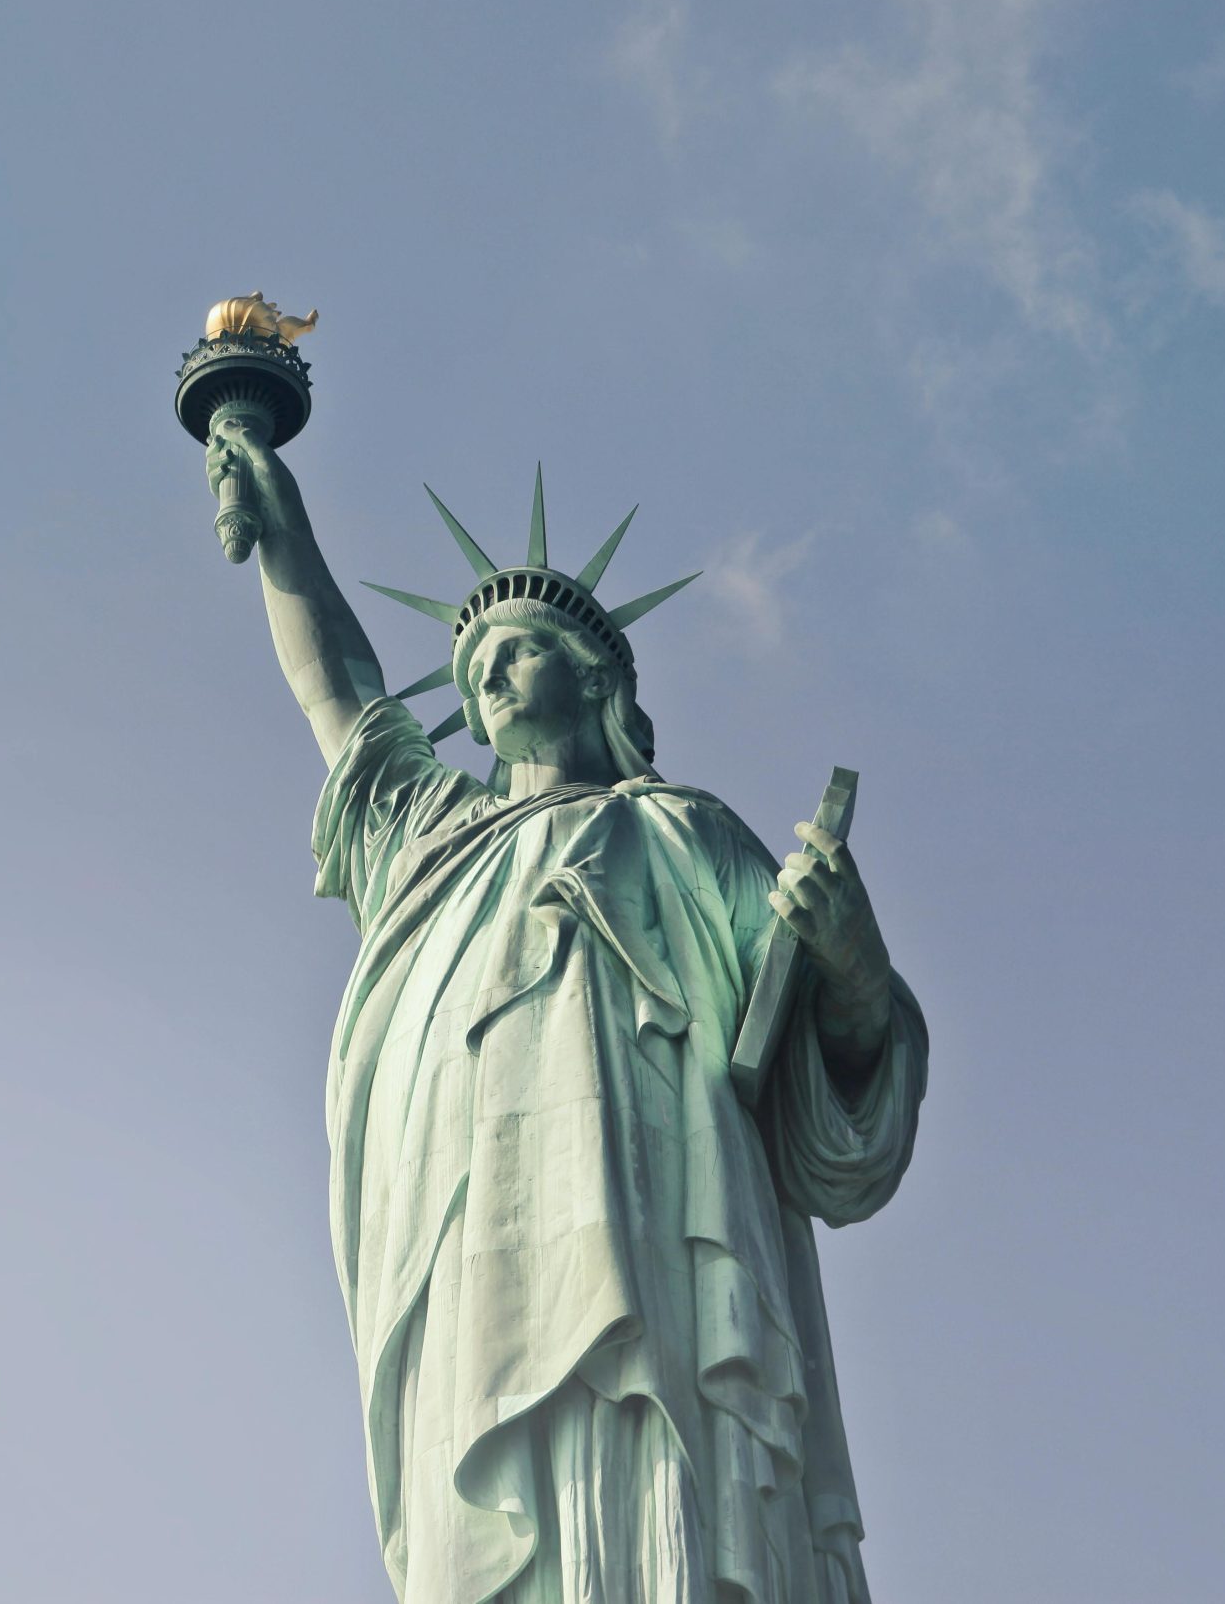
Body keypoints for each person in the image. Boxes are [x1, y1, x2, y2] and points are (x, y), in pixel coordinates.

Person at [203, 407, 927, 1604]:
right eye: (471, 661)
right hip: (474, 1229)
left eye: (518, 646)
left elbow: (828, 1095)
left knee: (666, 1474)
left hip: (667, 1223)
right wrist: (286, 536)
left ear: (595, 679)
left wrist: (849, 963)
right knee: (490, 1485)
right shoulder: (431, 841)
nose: (486, 669)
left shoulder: (683, 831)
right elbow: (340, 699)